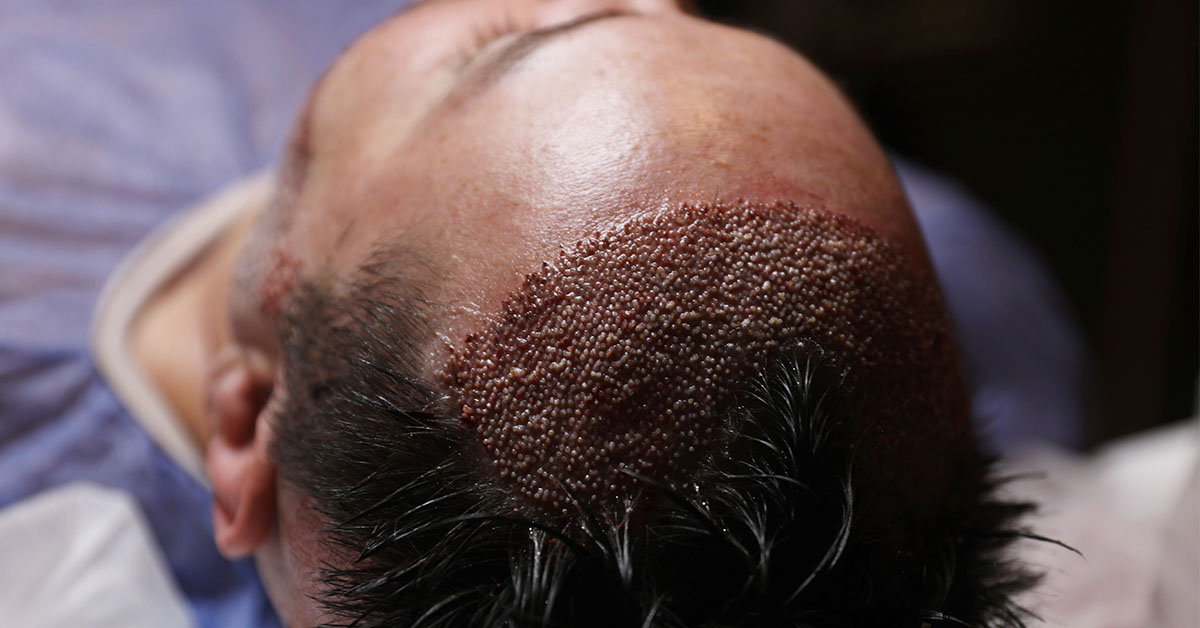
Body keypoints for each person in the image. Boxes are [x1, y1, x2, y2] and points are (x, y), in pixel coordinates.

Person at [1, 0, 1069, 626]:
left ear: (247, 425)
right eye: (702, 24)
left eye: (503, 46)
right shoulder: (963, 278)